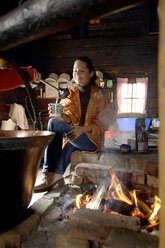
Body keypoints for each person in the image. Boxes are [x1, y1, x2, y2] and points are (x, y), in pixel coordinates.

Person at [34, 56, 116, 192]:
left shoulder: (100, 95)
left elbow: (105, 123)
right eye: (74, 71)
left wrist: (83, 129)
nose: (77, 75)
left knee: (53, 123)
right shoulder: (71, 93)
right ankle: (54, 179)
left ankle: (47, 172)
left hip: (91, 139)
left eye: (81, 71)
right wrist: (61, 115)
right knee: (63, 145)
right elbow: (71, 116)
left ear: (91, 73)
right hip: (75, 136)